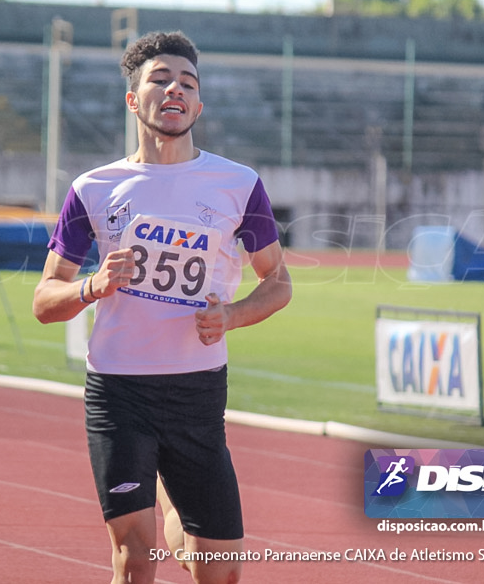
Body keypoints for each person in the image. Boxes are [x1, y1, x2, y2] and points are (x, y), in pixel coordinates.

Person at [32, 30, 292, 584]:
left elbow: (278, 283)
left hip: (197, 392)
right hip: (119, 390)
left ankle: (171, 498)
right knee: (135, 556)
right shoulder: (93, 189)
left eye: (187, 82)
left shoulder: (238, 185)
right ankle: (158, 498)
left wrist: (233, 316)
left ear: (198, 105)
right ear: (133, 100)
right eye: (160, 79)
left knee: (218, 569)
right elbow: (44, 300)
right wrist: (90, 287)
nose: (175, 89)